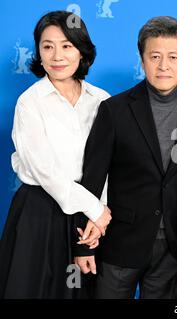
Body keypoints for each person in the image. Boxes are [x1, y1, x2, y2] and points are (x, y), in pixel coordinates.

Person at [73, 16, 177, 299]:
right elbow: (92, 179)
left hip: (173, 246)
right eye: (155, 56)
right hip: (121, 242)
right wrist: (82, 246)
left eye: (173, 57)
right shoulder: (115, 109)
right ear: (142, 59)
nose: (164, 66)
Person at [0, 11, 111, 299]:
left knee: (79, 291)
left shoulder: (103, 101)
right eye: (47, 46)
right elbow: (46, 171)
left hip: (87, 218)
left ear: (81, 49)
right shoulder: (30, 103)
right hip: (39, 213)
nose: (57, 55)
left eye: (66, 46)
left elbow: (111, 163)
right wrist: (97, 211)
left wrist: (98, 215)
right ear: (38, 51)